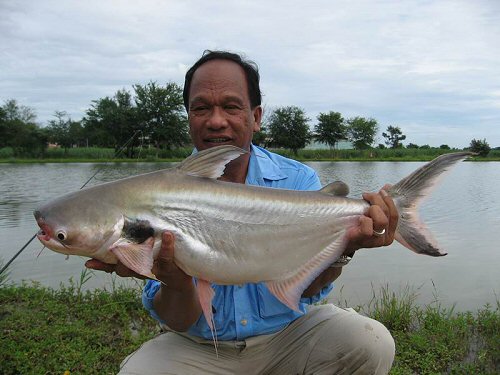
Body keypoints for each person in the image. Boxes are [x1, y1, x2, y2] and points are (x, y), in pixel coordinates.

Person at [86, 50, 398, 374]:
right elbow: (178, 318)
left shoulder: (298, 180)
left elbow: (309, 289)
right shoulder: (155, 195)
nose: (216, 120)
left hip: (288, 336)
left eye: (231, 106)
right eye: (201, 108)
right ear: (189, 117)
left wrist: (343, 249)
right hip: (201, 346)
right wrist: (174, 281)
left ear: (256, 116)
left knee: (371, 342)